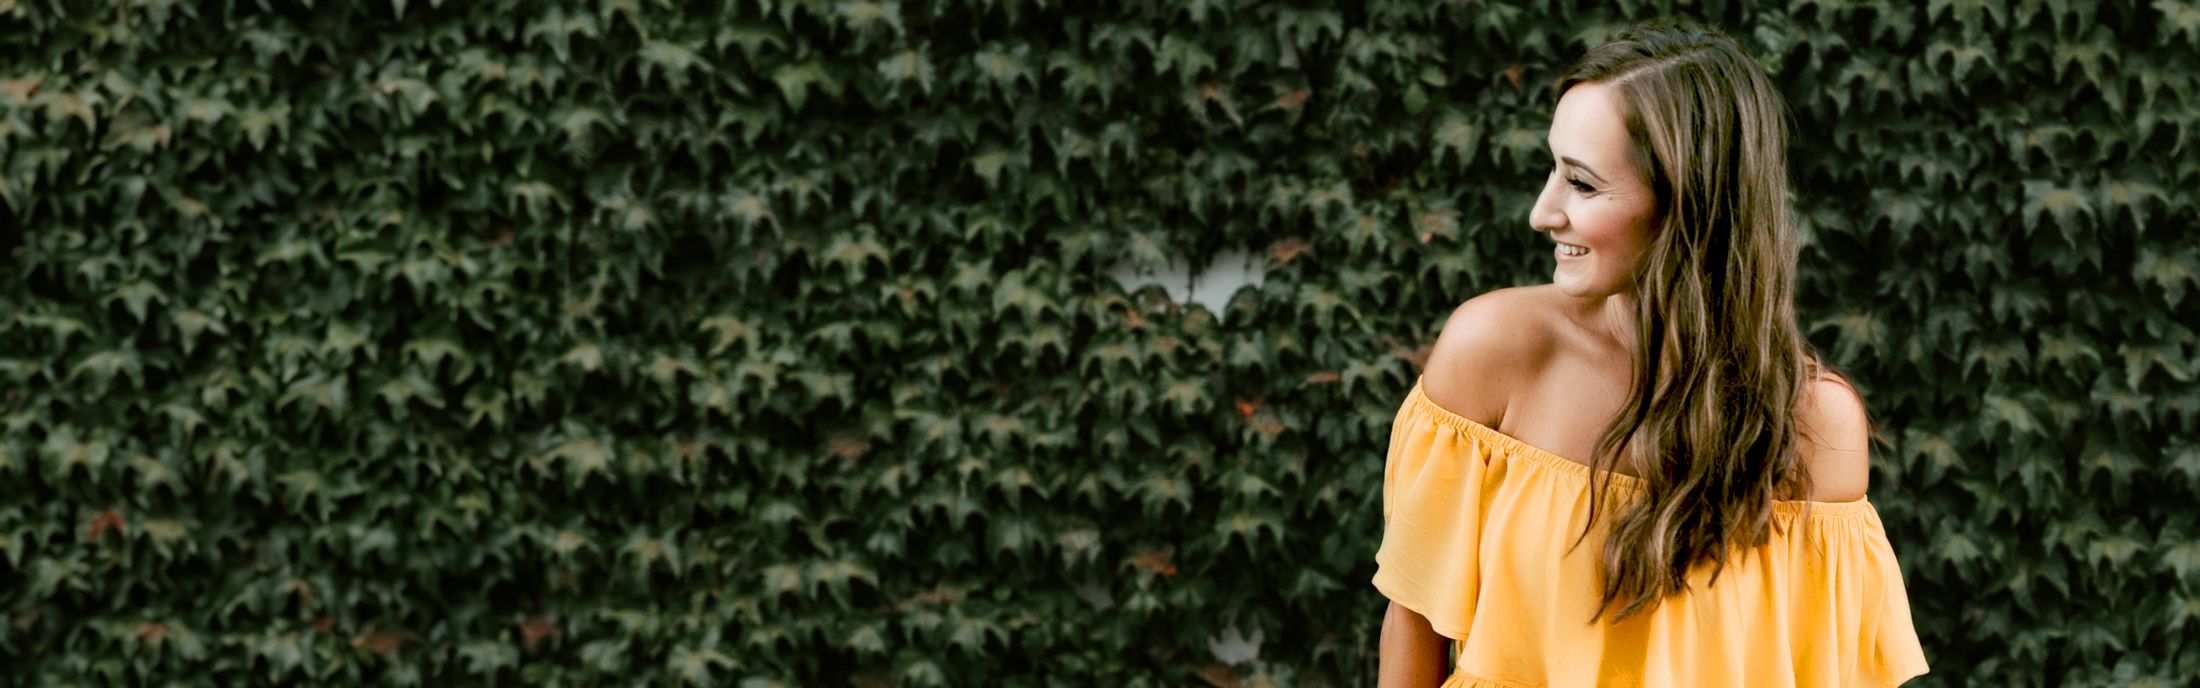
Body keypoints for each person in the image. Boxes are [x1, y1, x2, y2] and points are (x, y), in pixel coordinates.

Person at [1372, 19, 1931, 687]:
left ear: (1685, 202)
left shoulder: (1814, 422)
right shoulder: (1494, 349)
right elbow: (1413, 621)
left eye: (1581, 184)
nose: (1542, 212)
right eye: (1553, 169)